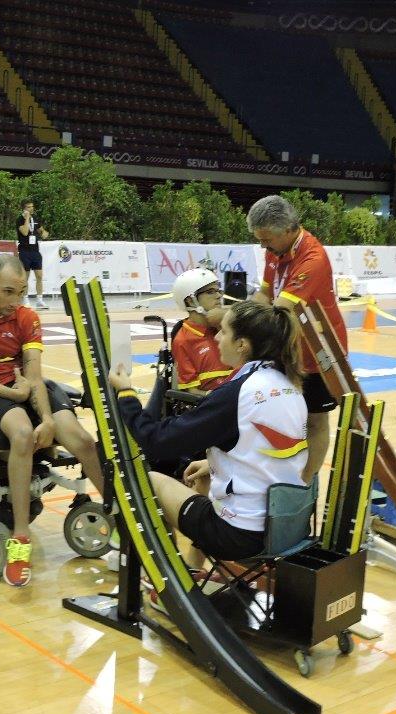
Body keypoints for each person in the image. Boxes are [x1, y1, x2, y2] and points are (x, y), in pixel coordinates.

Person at [0, 253, 104, 587]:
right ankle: (20, 536)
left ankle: (122, 516)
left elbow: (34, 373)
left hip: (25, 386)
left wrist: (47, 418)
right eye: (9, 292)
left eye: (22, 292)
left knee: (83, 441)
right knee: (22, 435)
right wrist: (15, 397)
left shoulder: (27, 317)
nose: (16, 302)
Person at [109, 301, 307, 567]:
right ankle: (193, 570)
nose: (216, 338)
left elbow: (156, 441)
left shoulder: (238, 393)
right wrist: (213, 461)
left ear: (242, 345)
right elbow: (266, 449)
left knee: (145, 479)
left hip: (240, 535)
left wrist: (126, 394)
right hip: (287, 526)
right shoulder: (288, 384)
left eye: (223, 332)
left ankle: (166, 579)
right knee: (201, 477)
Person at [248, 195, 348, 484]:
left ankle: (305, 481)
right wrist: (238, 315)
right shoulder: (274, 251)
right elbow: (263, 296)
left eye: (266, 239)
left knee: (316, 420)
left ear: (287, 230)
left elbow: (280, 309)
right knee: (285, 415)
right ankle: (280, 473)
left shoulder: (312, 257)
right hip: (288, 348)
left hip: (319, 353)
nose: (263, 247)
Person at [170, 268, 234, 395]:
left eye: (218, 290)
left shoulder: (228, 327)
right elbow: (192, 391)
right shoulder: (183, 340)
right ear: (190, 300)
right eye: (211, 292)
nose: (219, 295)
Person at [16, 198, 50, 309]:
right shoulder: (20, 219)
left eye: (32, 206)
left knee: (39, 276)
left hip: (35, 251)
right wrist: (26, 219)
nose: (32, 208)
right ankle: (25, 300)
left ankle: (39, 300)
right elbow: (25, 232)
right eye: (29, 207)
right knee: (25, 277)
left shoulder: (35, 218)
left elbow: (42, 231)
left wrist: (44, 233)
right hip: (24, 251)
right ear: (24, 208)